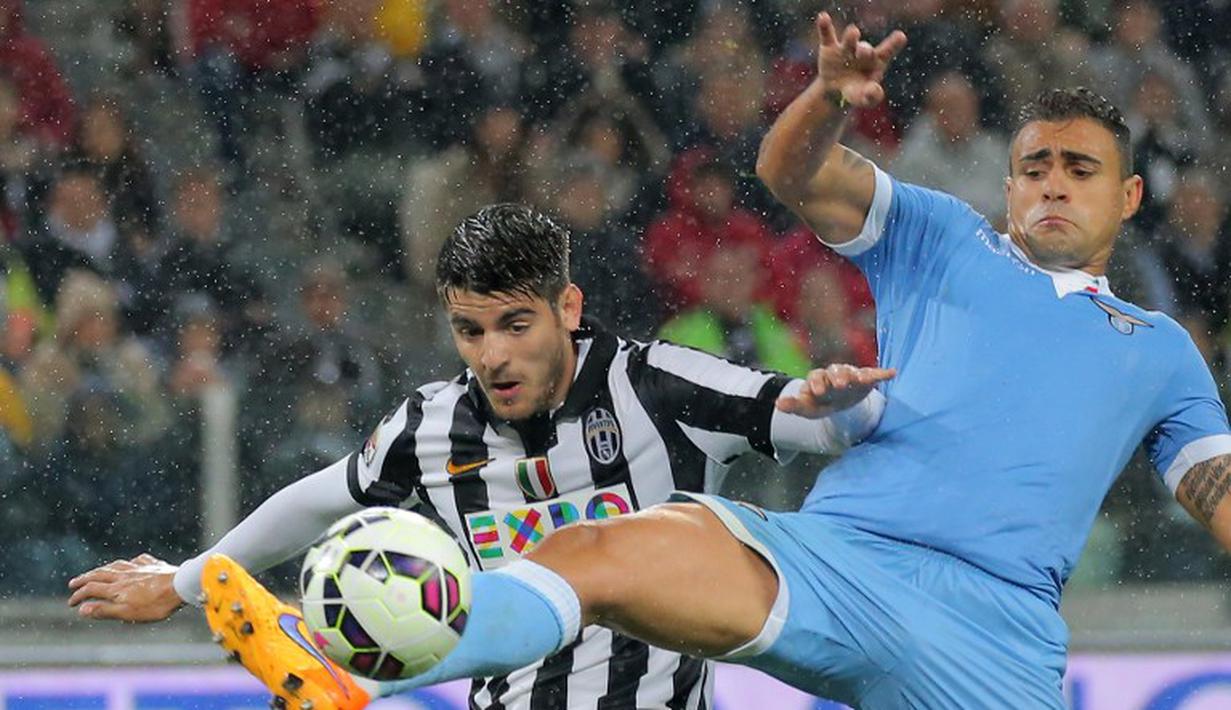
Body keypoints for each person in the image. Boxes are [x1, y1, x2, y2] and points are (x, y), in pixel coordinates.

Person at [162, 13, 1231, 708]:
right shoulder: (945, 234)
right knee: (603, 551)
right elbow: (789, 170)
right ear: (1004, 187)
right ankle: (360, 673)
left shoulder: (1161, 351)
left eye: (1077, 170)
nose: (1049, 183)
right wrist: (822, 98)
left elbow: (1216, 492)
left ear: (1126, 198)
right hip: (830, 558)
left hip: (990, 633)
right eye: (1031, 165)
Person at [68, 202, 892, 710]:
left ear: (567, 307)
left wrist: (843, 410)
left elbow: (815, 423)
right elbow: (319, 500)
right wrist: (180, 581)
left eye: (514, 325)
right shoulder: (431, 427)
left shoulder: (657, 383)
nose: (491, 355)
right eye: (470, 330)